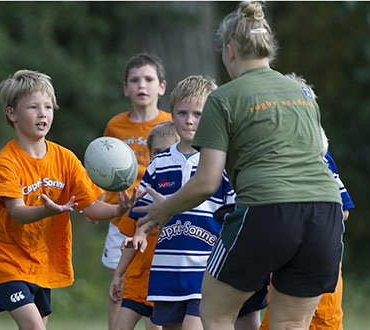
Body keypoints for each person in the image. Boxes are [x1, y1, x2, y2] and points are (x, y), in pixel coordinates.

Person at [129, 2, 344, 330]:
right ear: (268, 49)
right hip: (326, 215)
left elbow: (207, 183)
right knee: (290, 324)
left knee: (215, 314)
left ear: (229, 51)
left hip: (268, 211)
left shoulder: (223, 98)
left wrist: (163, 210)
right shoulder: (301, 93)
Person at [0, 69, 143, 330]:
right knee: (35, 327)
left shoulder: (65, 158)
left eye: (48, 107)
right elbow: (18, 212)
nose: (43, 113)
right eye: (33, 107)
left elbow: (90, 207)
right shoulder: (5, 164)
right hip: (6, 259)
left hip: (45, 261)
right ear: (12, 113)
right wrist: (47, 210)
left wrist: (119, 209)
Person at [124, 75, 236, 330]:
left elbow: (235, 214)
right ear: (171, 114)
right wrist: (140, 233)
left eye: (198, 114)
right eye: (182, 113)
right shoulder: (158, 162)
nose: (189, 120)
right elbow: (144, 213)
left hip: (206, 269)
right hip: (167, 270)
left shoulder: (221, 164)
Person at [258, 75, 355, 330]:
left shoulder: (322, 156)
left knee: (323, 323)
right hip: (284, 265)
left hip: (320, 263)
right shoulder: (271, 157)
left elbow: (343, 210)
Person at [99, 53, 172, 329]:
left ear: (161, 86)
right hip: (123, 215)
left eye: (149, 79)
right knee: (122, 282)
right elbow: (102, 168)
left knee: (152, 284)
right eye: (135, 80)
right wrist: (97, 201)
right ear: (125, 87)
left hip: (158, 213)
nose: (142, 85)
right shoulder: (116, 125)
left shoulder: (170, 122)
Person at [110, 120, 179, 330]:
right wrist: (118, 274)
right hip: (137, 282)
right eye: (156, 153)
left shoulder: (184, 200)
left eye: (168, 152)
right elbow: (130, 242)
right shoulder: (142, 198)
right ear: (149, 157)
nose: (161, 158)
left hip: (165, 283)